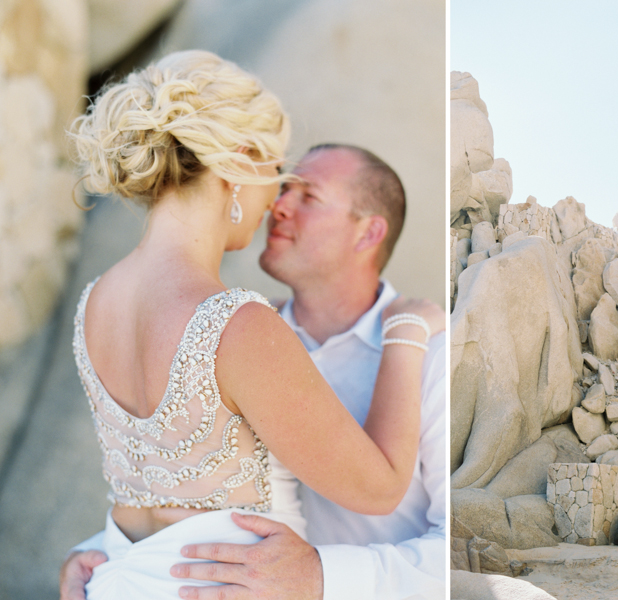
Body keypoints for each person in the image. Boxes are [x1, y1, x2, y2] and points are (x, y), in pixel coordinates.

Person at [58, 50, 443, 600]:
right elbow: (378, 487)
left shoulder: (95, 303)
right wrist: (406, 335)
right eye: (278, 173)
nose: (276, 202)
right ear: (242, 160)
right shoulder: (236, 323)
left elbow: (162, 486)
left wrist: (83, 555)